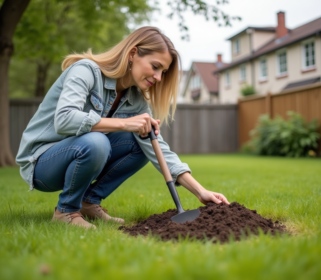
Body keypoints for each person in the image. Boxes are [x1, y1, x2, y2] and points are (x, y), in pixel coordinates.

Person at [16, 26, 229, 229]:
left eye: (163, 71)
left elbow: (158, 149)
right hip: (42, 163)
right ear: (133, 53)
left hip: (79, 153)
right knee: (97, 141)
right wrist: (125, 123)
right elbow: (64, 119)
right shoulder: (85, 71)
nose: (158, 77)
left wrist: (200, 191)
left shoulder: (136, 99)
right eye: (155, 67)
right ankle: (66, 211)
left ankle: (88, 203)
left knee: (144, 142)